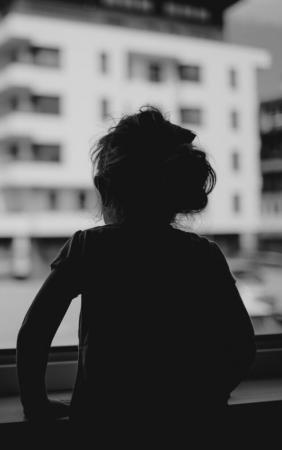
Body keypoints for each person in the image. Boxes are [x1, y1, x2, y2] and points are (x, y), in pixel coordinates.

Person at [16, 106, 255, 442]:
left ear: (104, 187)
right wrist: (207, 397)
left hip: (103, 424)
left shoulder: (88, 247)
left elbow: (34, 332)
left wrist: (35, 404)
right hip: (190, 428)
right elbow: (241, 345)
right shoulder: (203, 255)